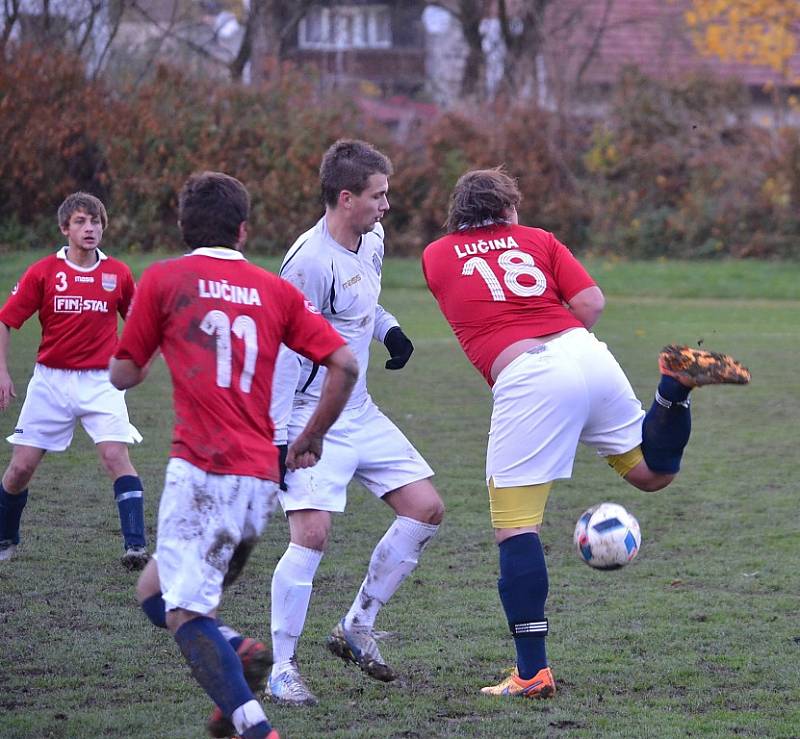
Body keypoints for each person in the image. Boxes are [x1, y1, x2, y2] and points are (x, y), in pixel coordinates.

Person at [421, 167, 751, 699]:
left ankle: (532, 673)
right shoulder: (539, 239)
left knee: (515, 529)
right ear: (510, 209)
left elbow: (472, 292)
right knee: (650, 472)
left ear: (459, 213)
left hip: (529, 374)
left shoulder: (436, 255)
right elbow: (591, 303)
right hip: (585, 353)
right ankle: (672, 388)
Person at [110, 171, 358, 739]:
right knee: (154, 591)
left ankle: (254, 726)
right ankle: (241, 655)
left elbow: (125, 373)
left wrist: (136, 357)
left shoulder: (164, 279)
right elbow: (345, 364)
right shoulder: (276, 292)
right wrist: (313, 435)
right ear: (244, 231)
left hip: (201, 473)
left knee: (183, 614)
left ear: (181, 227)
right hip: (260, 479)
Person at [264, 139, 445, 707]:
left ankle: (356, 625)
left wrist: (388, 329)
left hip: (358, 409)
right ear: (346, 198)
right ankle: (281, 667)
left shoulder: (372, 239)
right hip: (309, 415)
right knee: (311, 535)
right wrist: (277, 439)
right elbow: (284, 353)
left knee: (426, 508)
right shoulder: (308, 263)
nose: (386, 205)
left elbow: (360, 305)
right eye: (378, 195)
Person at [0, 192, 149, 570]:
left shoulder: (118, 273)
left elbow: (140, 324)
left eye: (95, 221)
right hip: (50, 383)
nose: (90, 228)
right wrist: (2, 372)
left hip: (102, 382)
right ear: (65, 228)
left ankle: (135, 548)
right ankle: (5, 538)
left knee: (116, 456)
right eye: (81, 222)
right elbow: (5, 320)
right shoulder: (44, 272)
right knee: (20, 470)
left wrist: (140, 363)